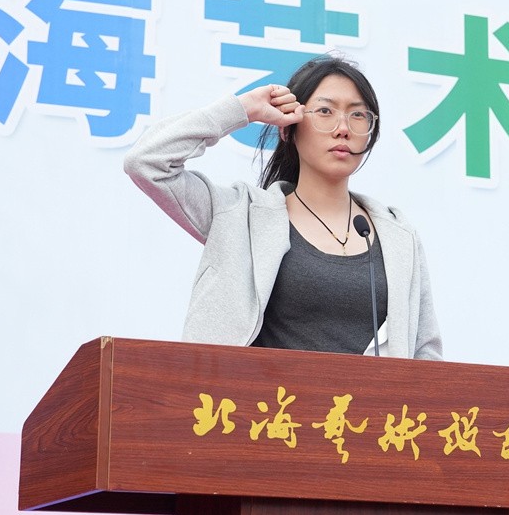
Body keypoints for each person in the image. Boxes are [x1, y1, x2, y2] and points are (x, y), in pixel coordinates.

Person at [124, 54, 442, 359]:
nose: (343, 128)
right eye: (325, 111)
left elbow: (425, 354)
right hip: (259, 398)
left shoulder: (398, 236)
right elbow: (147, 162)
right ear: (288, 127)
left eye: (358, 115)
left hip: (364, 400)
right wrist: (242, 110)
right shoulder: (240, 215)